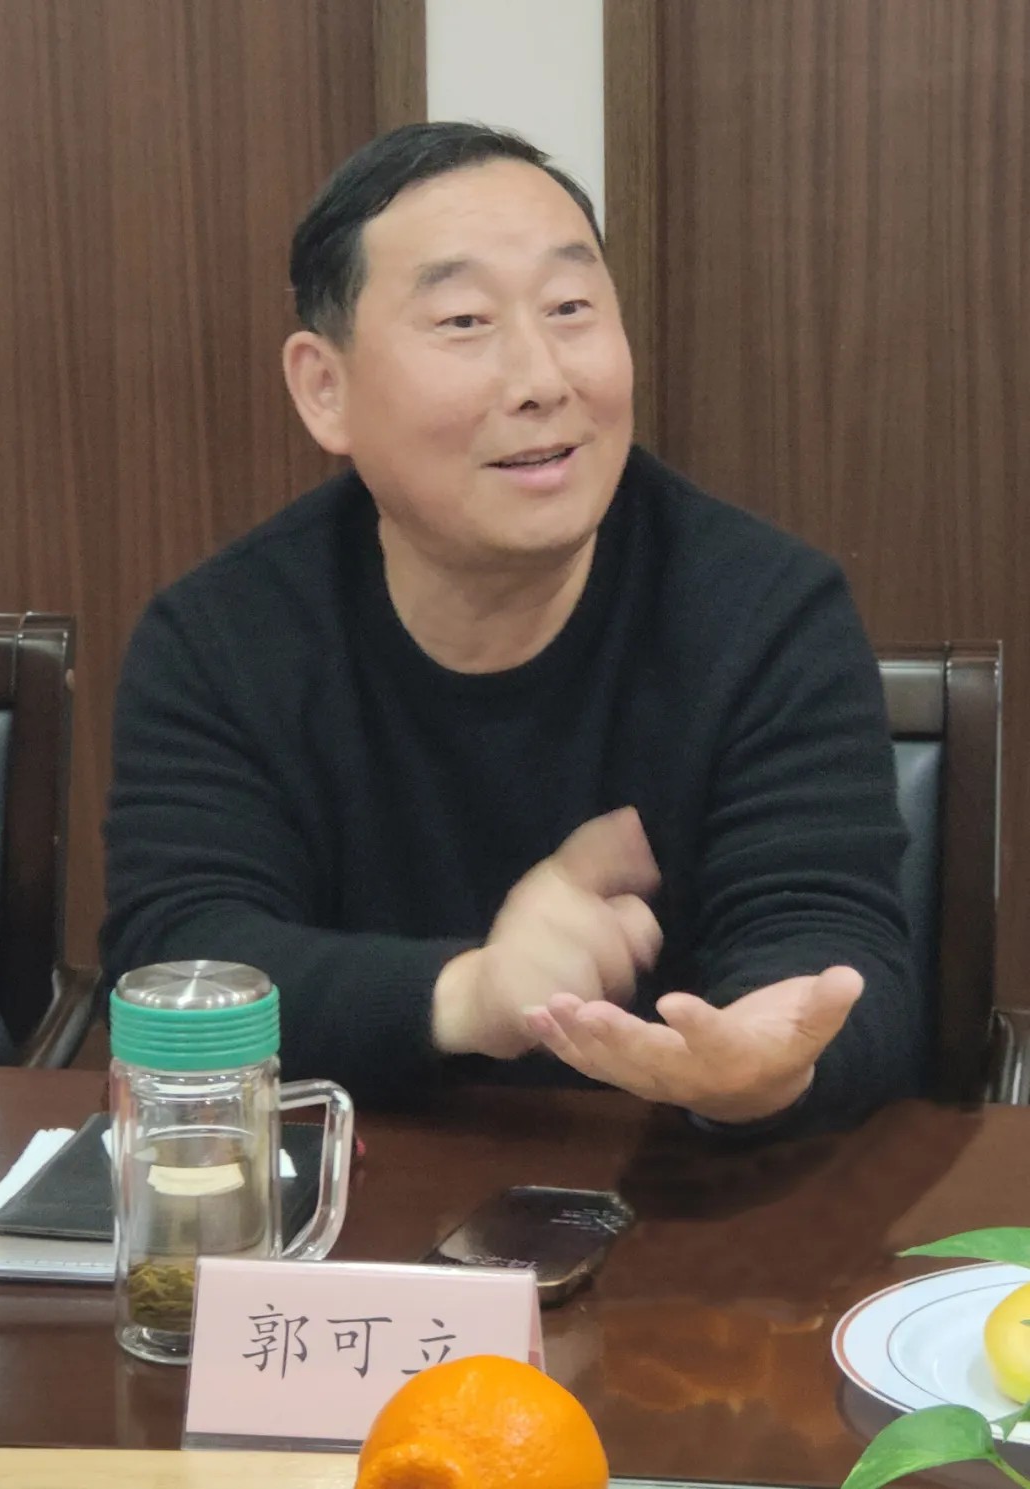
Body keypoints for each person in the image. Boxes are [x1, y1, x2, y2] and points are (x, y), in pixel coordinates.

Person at [101, 122, 926, 1132]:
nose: (541, 379)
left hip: (686, 1190)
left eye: (571, 308)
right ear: (326, 388)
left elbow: (833, 942)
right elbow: (179, 959)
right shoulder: (224, 637)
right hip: (349, 1195)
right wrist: (473, 993)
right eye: (464, 321)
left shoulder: (765, 612)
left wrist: (765, 1061)